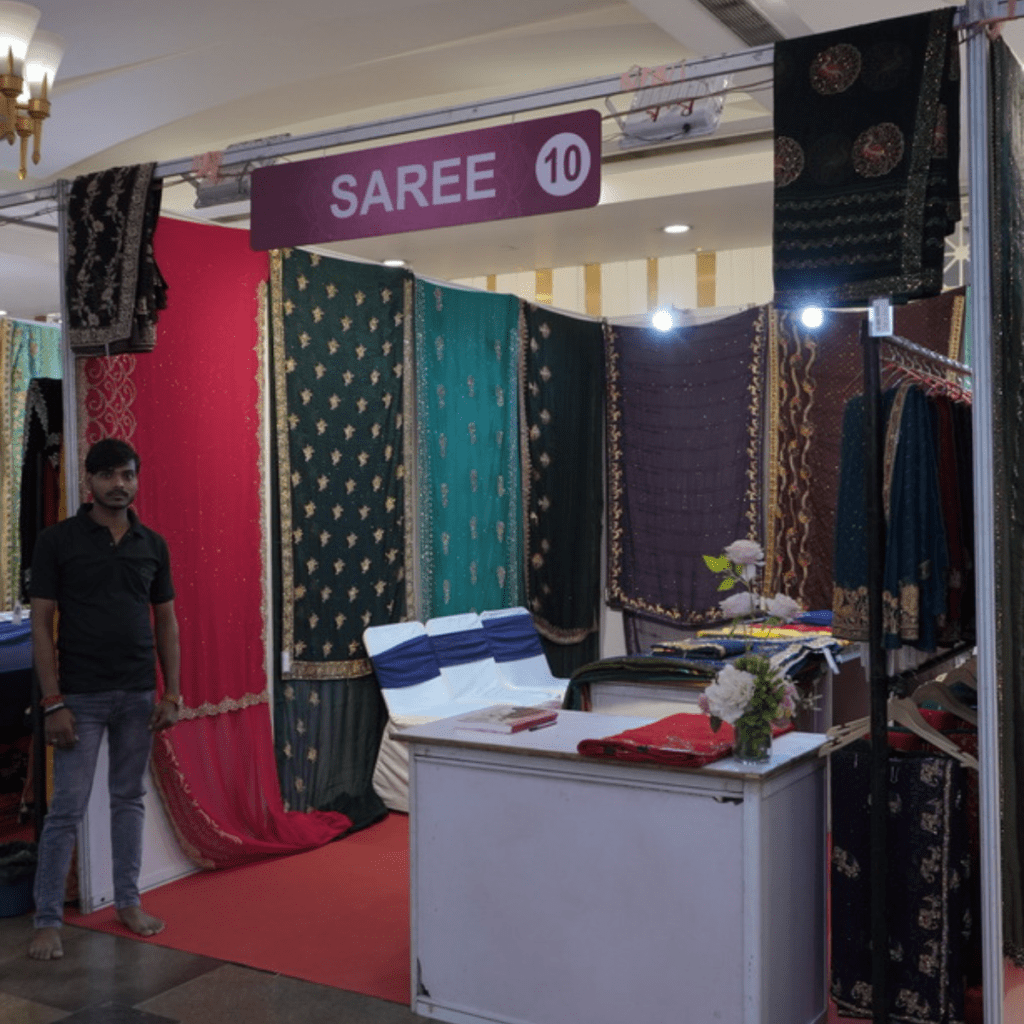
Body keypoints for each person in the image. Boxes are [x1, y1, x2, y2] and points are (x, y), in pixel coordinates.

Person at [26, 438, 181, 961]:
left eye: (129, 475)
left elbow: (166, 621)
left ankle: (129, 902)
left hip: (138, 694)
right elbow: (42, 627)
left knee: (128, 800)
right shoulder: (57, 541)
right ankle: (47, 919)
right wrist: (53, 701)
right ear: (89, 482)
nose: (121, 485)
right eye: (110, 475)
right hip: (80, 698)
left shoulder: (151, 544)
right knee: (66, 809)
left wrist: (172, 691)